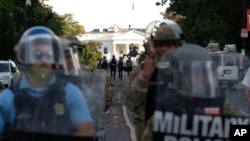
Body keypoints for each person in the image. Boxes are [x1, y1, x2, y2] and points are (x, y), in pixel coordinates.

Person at [0, 26, 95, 137]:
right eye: (38, 54)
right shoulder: (8, 98)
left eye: (49, 55)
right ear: (24, 57)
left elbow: (86, 131)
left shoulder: (70, 93)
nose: (44, 60)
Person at [141, 43, 247, 141]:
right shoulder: (166, 113)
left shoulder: (219, 105)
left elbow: (242, 128)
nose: (202, 78)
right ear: (180, 77)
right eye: (194, 73)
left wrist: (225, 131)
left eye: (205, 72)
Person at [125, 18, 185, 141]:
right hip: (147, 125)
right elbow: (131, 103)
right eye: (160, 45)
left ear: (177, 45)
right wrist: (144, 76)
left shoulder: (186, 68)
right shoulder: (142, 69)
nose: (164, 49)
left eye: (168, 45)